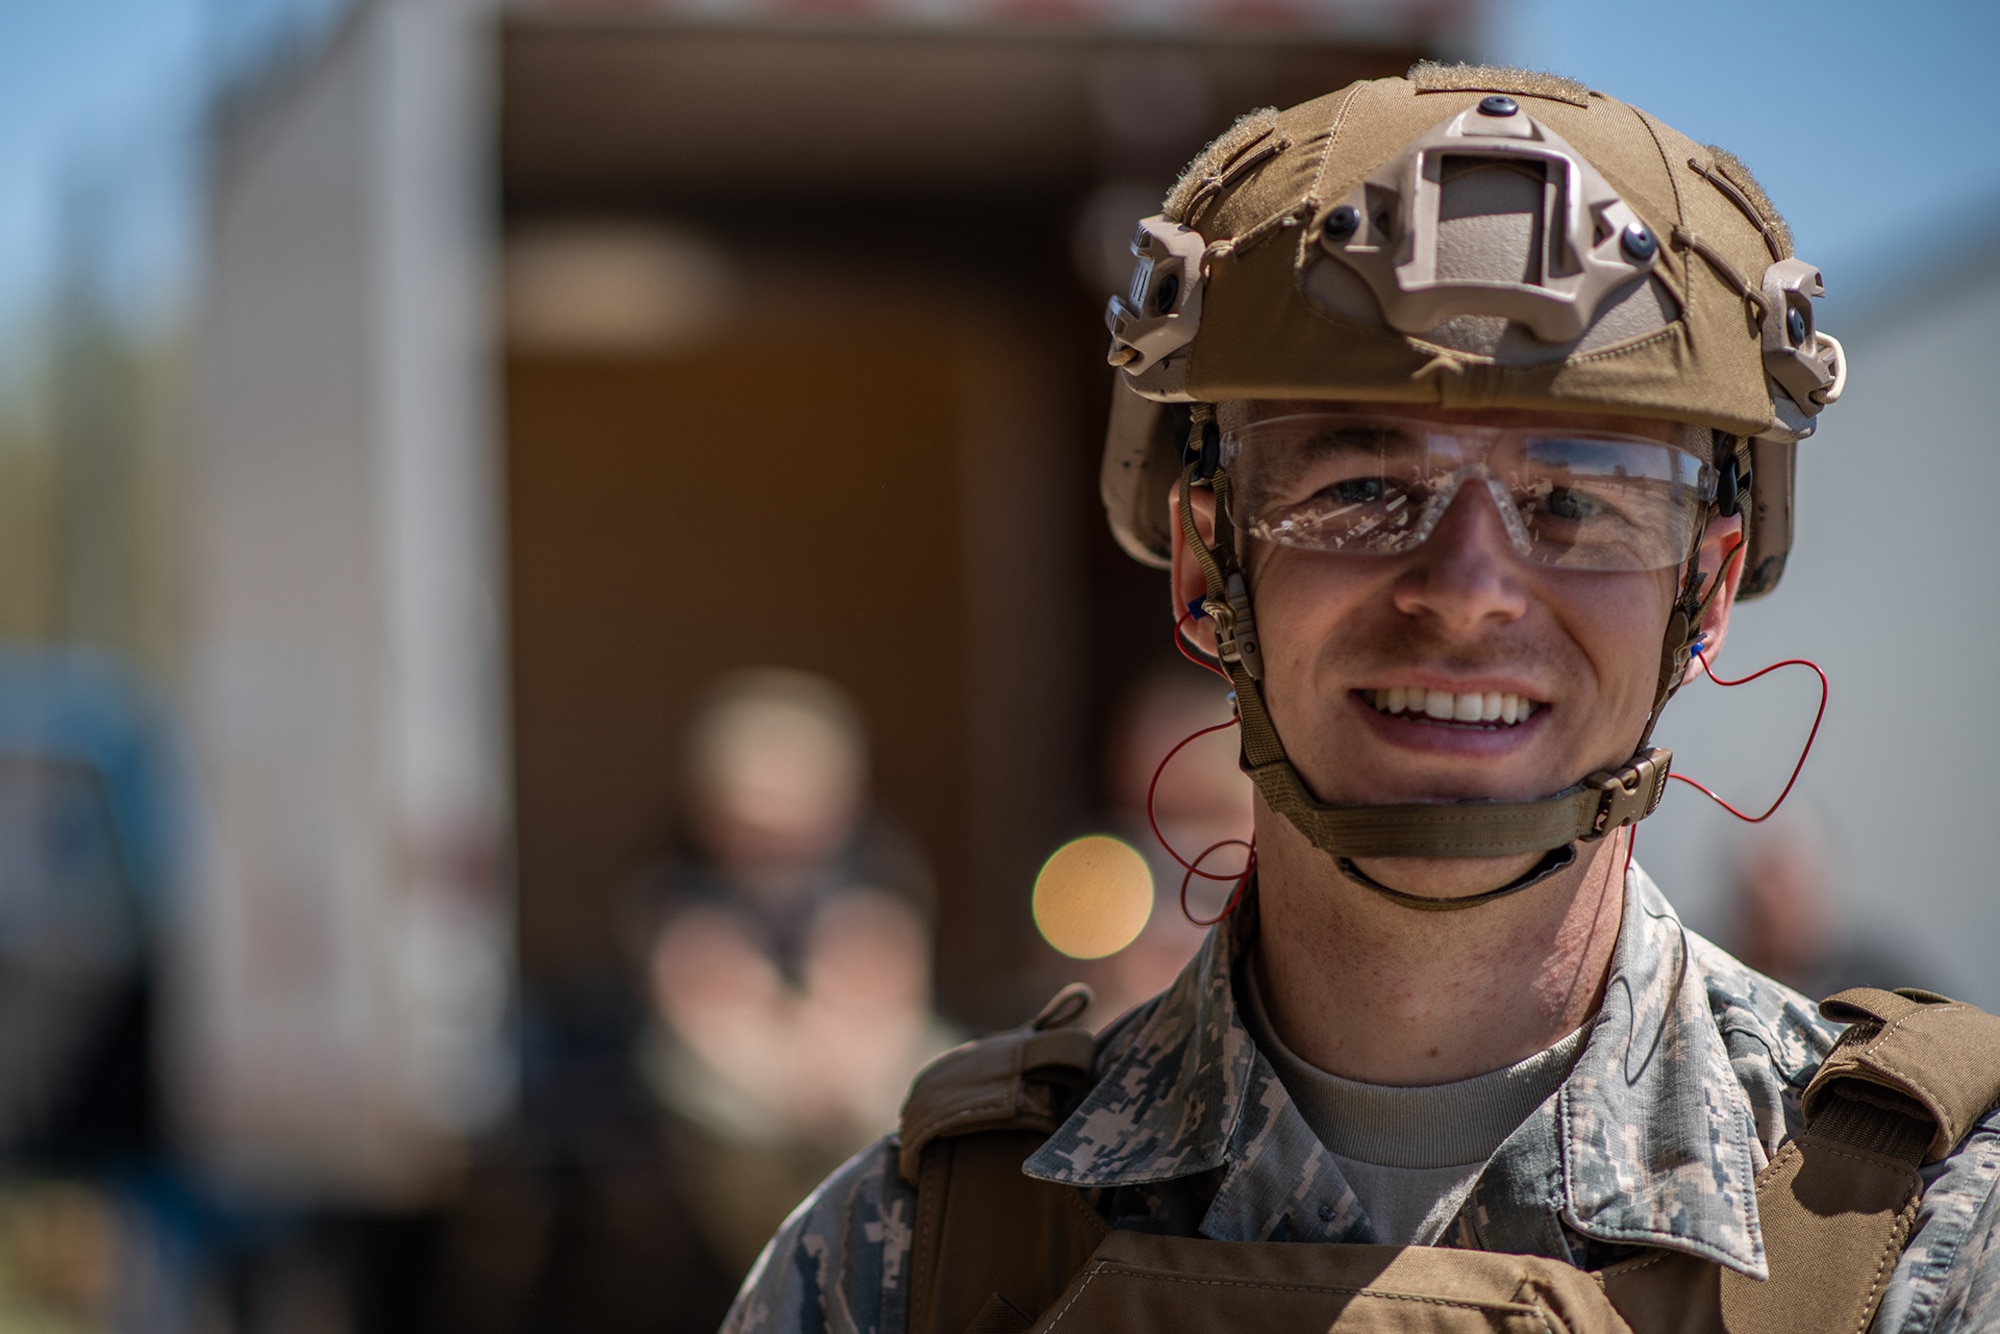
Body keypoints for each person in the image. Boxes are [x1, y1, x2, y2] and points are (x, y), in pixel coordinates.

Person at [723, 65, 2000, 1332]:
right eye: (1355, 489)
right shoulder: (902, 1259)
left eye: (1574, 501)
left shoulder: (1929, 1245)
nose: (1464, 590)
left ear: (1703, 591)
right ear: (1203, 562)